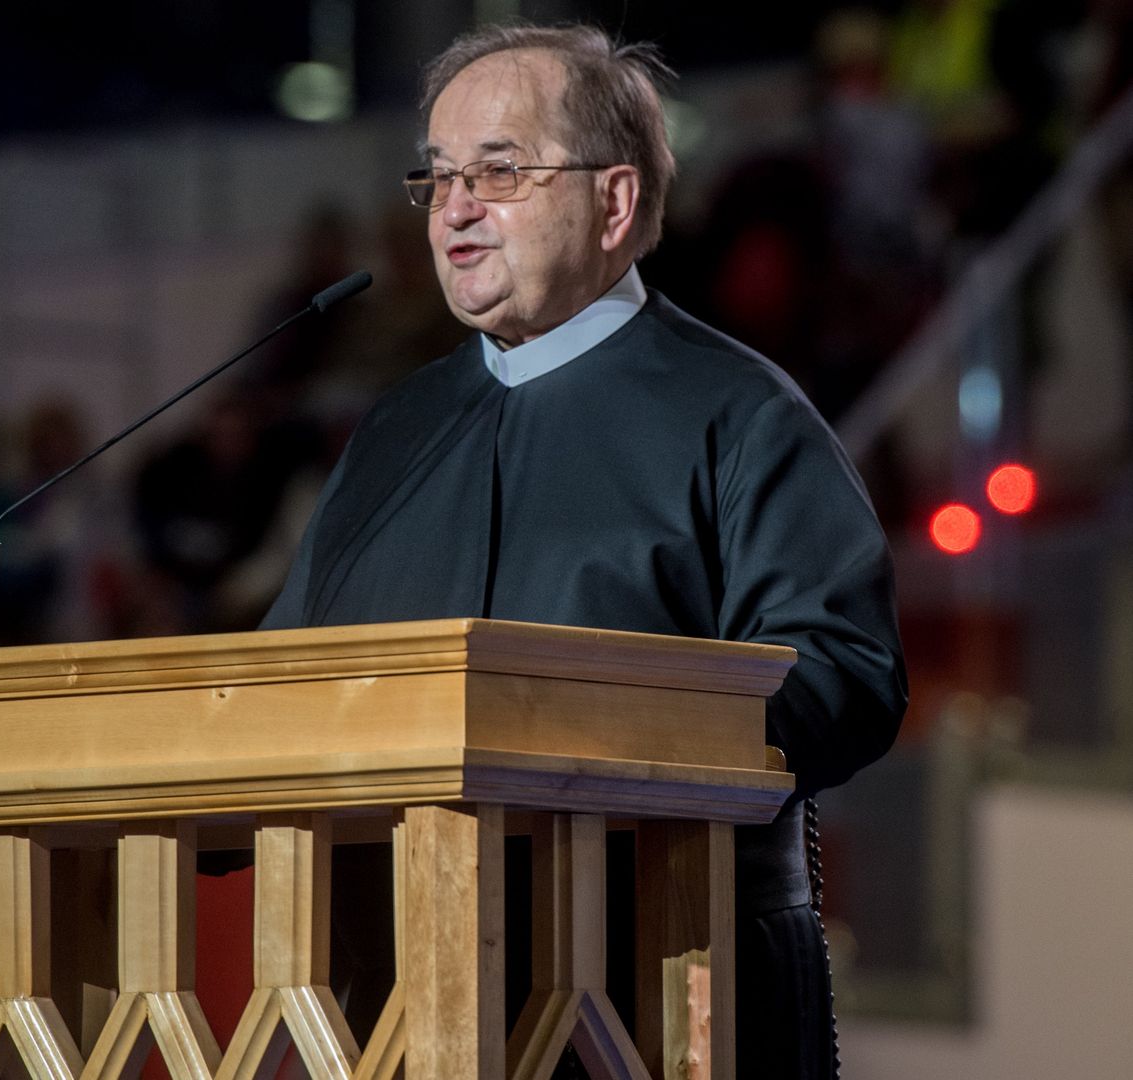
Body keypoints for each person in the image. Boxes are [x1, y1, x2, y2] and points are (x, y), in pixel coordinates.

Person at [260, 22, 908, 1080]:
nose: (454, 207)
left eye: (499, 171)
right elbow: (280, 678)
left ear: (612, 203)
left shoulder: (738, 415)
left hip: (657, 981)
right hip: (393, 993)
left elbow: (844, 676)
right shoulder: (395, 431)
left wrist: (582, 730)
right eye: (439, 177)